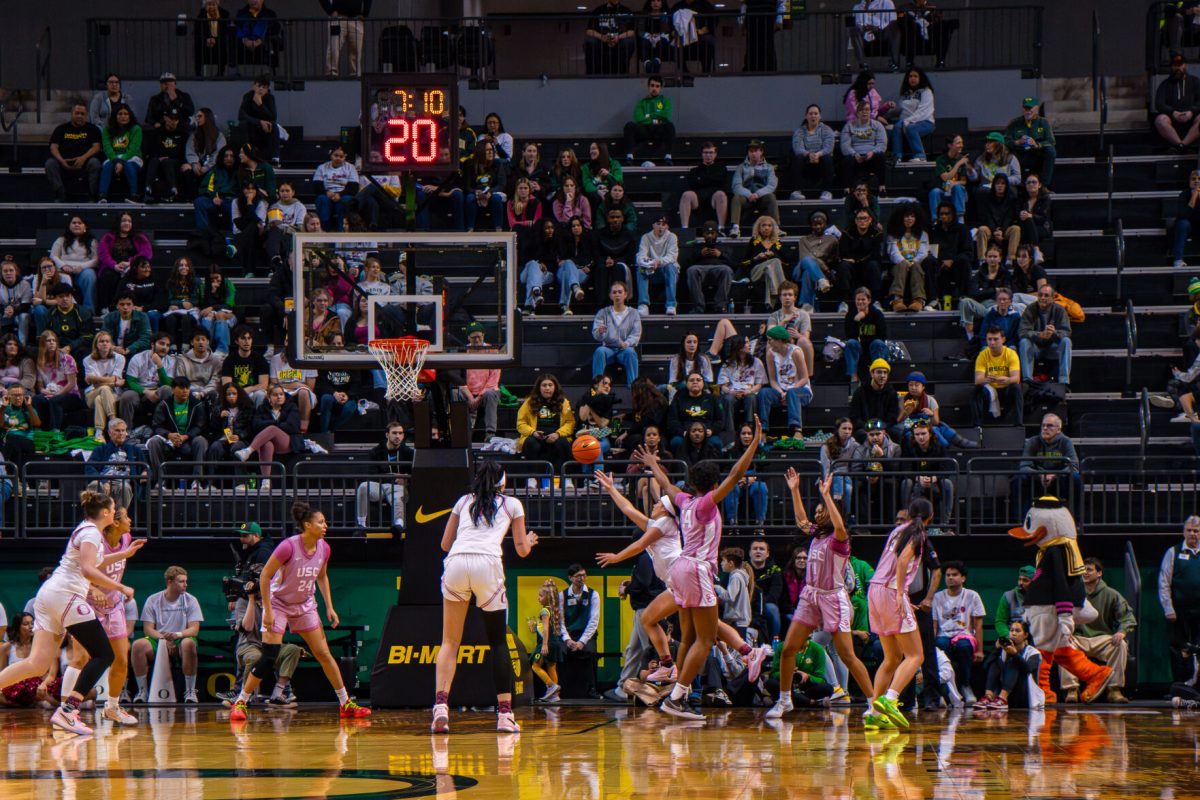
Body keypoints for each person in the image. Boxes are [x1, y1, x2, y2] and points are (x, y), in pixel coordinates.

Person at [631, 416, 763, 720]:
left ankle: (686, 687)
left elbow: (666, 483)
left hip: (681, 569)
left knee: (693, 635)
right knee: (705, 639)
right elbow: (737, 472)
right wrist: (754, 442)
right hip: (696, 569)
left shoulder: (684, 501)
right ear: (714, 486)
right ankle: (677, 698)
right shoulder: (704, 504)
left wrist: (653, 463)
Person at [0, 491, 136, 734]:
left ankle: (66, 709)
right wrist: (120, 586)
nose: (115, 511)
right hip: (65, 595)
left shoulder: (86, 529)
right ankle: (68, 710)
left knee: (36, 664)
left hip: (49, 595)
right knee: (104, 654)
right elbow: (87, 569)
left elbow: (92, 562)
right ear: (105, 513)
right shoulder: (92, 532)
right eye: (113, 507)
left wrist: (123, 555)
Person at [229, 502, 372, 720]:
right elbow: (265, 576)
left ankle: (346, 703)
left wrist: (330, 607)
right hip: (278, 604)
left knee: (324, 654)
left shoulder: (324, 547)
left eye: (325, 522)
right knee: (269, 656)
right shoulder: (288, 546)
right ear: (307, 525)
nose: (326, 525)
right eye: (321, 521)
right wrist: (267, 610)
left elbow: (322, 576)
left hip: (305, 604)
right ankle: (241, 702)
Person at [428, 461, 535, 731]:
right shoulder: (512, 504)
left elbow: (443, 544)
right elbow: (522, 550)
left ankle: (440, 709)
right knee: (497, 642)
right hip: (487, 564)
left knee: (449, 642)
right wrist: (530, 542)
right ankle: (505, 715)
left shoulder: (463, 501)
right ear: (502, 482)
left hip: (456, 562)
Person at [766, 471, 878, 719]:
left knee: (847, 655)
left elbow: (838, 524)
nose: (817, 514)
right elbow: (801, 521)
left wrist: (827, 496)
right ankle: (785, 700)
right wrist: (795, 490)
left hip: (833, 598)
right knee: (787, 649)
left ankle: (873, 704)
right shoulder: (817, 534)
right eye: (817, 510)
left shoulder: (840, 539)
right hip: (811, 596)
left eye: (822, 510)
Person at [864, 497, 933, 730]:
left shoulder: (897, 530)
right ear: (930, 518)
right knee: (916, 656)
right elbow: (903, 562)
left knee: (892, 657)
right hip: (892, 591)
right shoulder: (918, 534)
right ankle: (891, 699)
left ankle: (873, 712)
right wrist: (901, 594)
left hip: (875, 591)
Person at [85, 506, 142, 724]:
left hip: (114, 606)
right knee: (81, 659)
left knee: (121, 659)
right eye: (127, 516)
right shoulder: (96, 541)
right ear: (115, 522)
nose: (131, 520)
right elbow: (82, 570)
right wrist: (93, 589)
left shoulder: (126, 538)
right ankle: (67, 709)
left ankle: (112, 706)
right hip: (87, 604)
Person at [1055, 557, 1135, 704]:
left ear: (1099, 573)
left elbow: (1127, 617)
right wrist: (1066, 632)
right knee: (1063, 644)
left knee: (1121, 645)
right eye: (1083, 570)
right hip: (1078, 638)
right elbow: (1060, 615)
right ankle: (1072, 689)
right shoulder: (1073, 593)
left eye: (1089, 570)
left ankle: (1114, 689)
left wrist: (1121, 632)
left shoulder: (1111, 594)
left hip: (1102, 638)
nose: (1085, 573)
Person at [129, 565, 203, 704]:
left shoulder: (191, 600)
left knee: (189, 643)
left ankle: (190, 691)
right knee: (138, 645)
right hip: (159, 640)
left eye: (186, 581)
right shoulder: (153, 599)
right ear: (170, 582)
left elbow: (194, 629)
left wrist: (176, 635)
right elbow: (148, 629)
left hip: (181, 639)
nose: (185, 585)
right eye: (181, 581)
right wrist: (164, 639)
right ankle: (142, 691)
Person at [930, 560, 984, 704]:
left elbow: (978, 625)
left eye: (954, 575)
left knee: (964, 646)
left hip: (964, 635)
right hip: (943, 636)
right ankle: (942, 692)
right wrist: (931, 648)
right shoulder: (937, 597)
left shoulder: (972, 596)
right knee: (941, 646)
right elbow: (934, 625)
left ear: (963, 578)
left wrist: (980, 650)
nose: (950, 578)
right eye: (947, 575)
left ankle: (966, 686)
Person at [1010, 413, 1079, 515]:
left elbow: (1074, 466)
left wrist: (1054, 475)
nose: (1045, 428)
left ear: (1059, 429)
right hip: (1037, 479)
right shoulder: (1033, 441)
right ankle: (1022, 519)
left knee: (1076, 478)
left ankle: (1075, 518)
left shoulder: (1066, 442)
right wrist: (1040, 475)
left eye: (1049, 425)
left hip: (1058, 479)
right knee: (1019, 479)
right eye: (1043, 425)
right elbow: (1024, 466)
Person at [147, 376, 209, 485]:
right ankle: (161, 480)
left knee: (201, 441)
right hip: (170, 438)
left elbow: (200, 426)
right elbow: (157, 426)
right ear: (173, 389)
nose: (185, 390)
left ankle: (197, 480)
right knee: (153, 442)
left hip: (189, 438)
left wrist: (186, 436)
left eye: (187, 388)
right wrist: (169, 435)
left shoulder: (196, 404)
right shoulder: (164, 404)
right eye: (181, 388)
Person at [517, 373, 576, 488]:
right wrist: (533, 433)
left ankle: (564, 479)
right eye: (544, 385)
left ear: (555, 387)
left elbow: (570, 423)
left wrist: (558, 434)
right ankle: (532, 479)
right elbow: (520, 423)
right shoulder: (529, 402)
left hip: (556, 436)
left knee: (563, 443)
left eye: (550, 385)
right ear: (539, 387)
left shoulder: (564, 402)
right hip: (537, 436)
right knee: (530, 443)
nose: (547, 388)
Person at [1160, 517, 1200, 684]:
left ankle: (1197, 687)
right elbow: (1164, 582)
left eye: (1196, 530)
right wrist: (1168, 608)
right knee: (1178, 649)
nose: (1192, 534)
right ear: (1183, 532)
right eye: (1189, 530)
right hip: (1179, 611)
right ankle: (1179, 686)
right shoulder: (1173, 552)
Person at [973, 619, 1043, 710]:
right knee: (995, 662)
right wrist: (996, 650)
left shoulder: (1033, 652)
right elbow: (985, 667)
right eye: (1011, 630)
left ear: (1025, 635)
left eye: (1017, 631)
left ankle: (1002, 698)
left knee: (1014, 662)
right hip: (1008, 693)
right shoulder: (1004, 650)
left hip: (1025, 696)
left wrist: (1015, 654)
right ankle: (988, 697)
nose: (1013, 633)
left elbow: (1028, 669)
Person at [354, 421, 411, 531]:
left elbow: (413, 472)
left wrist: (407, 479)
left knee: (398, 493)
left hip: (398, 488)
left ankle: (398, 525)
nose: (397, 436)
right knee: (363, 486)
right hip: (379, 485)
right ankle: (361, 524)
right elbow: (372, 474)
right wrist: (394, 477)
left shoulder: (408, 452)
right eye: (394, 433)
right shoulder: (376, 451)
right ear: (387, 435)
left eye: (400, 433)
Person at [758, 325, 813, 439]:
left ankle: (797, 430)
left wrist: (789, 391)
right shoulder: (770, 354)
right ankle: (763, 429)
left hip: (801, 391)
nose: (768, 343)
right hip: (781, 390)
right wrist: (782, 392)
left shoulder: (795, 352)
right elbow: (772, 380)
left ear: (779, 340)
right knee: (764, 393)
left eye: (770, 340)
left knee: (793, 393)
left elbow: (804, 378)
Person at [45, 103, 102, 202]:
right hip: (64, 163)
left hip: (85, 163)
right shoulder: (61, 129)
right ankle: (60, 194)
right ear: (71, 114)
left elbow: (96, 147)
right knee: (50, 164)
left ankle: (92, 196)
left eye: (82, 114)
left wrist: (83, 158)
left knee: (95, 163)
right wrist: (62, 161)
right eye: (77, 113)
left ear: (86, 115)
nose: (79, 116)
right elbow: (53, 147)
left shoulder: (92, 129)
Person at [32, 329, 86, 432]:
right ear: (43, 344)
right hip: (51, 393)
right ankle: (39, 430)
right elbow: (40, 386)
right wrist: (45, 392)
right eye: (48, 341)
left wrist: (55, 394)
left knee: (55, 400)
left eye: (54, 340)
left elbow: (71, 383)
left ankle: (55, 431)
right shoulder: (40, 362)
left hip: (71, 394)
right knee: (37, 399)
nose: (52, 343)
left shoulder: (67, 359)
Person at [1017, 283, 1072, 385]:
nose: (1042, 298)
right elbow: (1022, 332)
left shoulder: (1060, 310)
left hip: (1053, 348)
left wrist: (1054, 333)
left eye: (1046, 295)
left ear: (1052, 298)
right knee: (1024, 342)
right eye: (1040, 295)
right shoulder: (1030, 309)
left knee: (1066, 341)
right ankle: (1027, 380)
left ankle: (1064, 380)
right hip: (1035, 348)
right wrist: (1039, 335)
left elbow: (1067, 332)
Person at [119, 331, 175, 427]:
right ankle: (126, 431)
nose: (164, 347)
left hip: (157, 393)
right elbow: (130, 382)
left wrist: (160, 366)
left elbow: (168, 384)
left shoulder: (171, 361)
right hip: (139, 392)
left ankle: (164, 429)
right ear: (152, 344)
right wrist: (146, 392)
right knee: (127, 396)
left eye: (167, 345)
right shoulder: (138, 358)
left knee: (167, 389)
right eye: (161, 343)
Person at [591, 282, 641, 387]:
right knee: (599, 351)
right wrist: (599, 332)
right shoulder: (603, 312)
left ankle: (633, 387)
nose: (617, 294)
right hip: (608, 349)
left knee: (630, 353)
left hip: (625, 349)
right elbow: (596, 334)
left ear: (625, 294)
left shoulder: (633, 313)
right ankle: (597, 386)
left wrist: (627, 343)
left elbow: (636, 334)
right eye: (614, 292)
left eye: (620, 292)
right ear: (610, 295)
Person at [960, 247, 1012, 343]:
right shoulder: (979, 274)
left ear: (1000, 258)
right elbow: (973, 294)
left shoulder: (1006, 274)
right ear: (986, 258)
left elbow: (1006, 292)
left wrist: (983, 291)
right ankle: (970, 337)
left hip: (997, 306)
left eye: (995, 256)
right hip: (982, 306)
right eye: (990, 256)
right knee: (964, 301)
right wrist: (994, 290)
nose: (992, 259)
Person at [885, 203, 931, 312]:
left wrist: (913, 261)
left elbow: (923, 252)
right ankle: (897, 300)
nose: (909, 219)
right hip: (898, 265)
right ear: (901, 218)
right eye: (906, 216)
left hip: (917, 264)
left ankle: (918, 300)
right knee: (902, 265)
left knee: (916, 266)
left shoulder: (922, 234)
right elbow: (893, 252)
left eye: (912, 216)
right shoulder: (893, 234)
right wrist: (904, 261)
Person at [728, 140, 779, 237]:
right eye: (751, 151)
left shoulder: (769, 167)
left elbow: (772, 185)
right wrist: (748, 194)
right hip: (746, 198)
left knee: (771, 197)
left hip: (762, 197)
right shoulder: (741, 167)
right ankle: (735, 228)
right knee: (736, 198)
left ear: (761, 152)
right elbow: (736, 186)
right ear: (748, 153)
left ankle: (776, 227)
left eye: (756, 150)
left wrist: (758, 194)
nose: (753, 153)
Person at [972, 327, 1022, 425]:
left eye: (995, 339)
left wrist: (1008, 380)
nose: (992, 342)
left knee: (1016, 387)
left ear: (1003, 339)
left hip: (1006, 389)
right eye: (989, 339)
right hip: (990, 390)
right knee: (976, 390)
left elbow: (1016, 378)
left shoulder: (1011, 354)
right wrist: (987, 379)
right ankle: (977, 426)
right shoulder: (982, 355)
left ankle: (1018, 424)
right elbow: (977, 380)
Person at [1004, 96, 1057, 188]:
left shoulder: (1043, 122)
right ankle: (1014, 184)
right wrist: (1017, 142)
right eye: (1026, 108)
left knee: (1051, 151)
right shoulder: (1014, 123)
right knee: (1005, 151)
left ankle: (1044, 185)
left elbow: (1051, 141)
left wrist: (1037, 144)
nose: (1028, 111)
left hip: (1036, 153)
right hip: (1020, 153)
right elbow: (1005, 140)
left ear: (1037, 109)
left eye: (1030, 108)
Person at [82, 332, 126, 443]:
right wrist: (113, 381)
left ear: (111, 344)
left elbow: (112, 378)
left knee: (100, 398)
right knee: (104, 389)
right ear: (96, 344)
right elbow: (113, 380)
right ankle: (113, 421)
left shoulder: (119, 358)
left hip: (114, 394)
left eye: (107, 341)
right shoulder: (88, 360)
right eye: (101, 341)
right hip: (91, 394)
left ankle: (99, 433)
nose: (105, 344)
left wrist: (96, 379)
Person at [926, 202, 972, 307]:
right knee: (928, 261)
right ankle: (933, 298)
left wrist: (952, 261)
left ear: (953, 215)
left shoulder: (962, 229)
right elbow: (930, 249)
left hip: (957, 263)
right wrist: (942, 261)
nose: (944, 216)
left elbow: (968, 251)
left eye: (947, 214)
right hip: (938, 263)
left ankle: (964, 297)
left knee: (964, 261)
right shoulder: (933, 230)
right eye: (941, 214)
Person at [683, 221, 736, 313]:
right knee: (691, 270)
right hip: (700, 268)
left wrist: (721, 255)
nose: (710, 236)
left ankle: (720, 305)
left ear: (716, 234)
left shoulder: (724, 247)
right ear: (703, 234)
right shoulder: (697, 246)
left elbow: (735, 264)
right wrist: (700, 254)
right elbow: (686, 264)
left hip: (719, 268)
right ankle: (699, 307)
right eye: (708, 233)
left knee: (727, 270)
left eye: (712, 233)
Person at [738, 216, 788, 311]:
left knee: (771, 269)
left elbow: (786, 263)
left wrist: (774, 255)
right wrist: (756, 258)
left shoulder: (777, 243)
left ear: (773, 228)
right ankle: (784, 291)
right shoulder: (753, 241)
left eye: (769, 225)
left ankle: (769, 303)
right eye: (763, 225)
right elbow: (744, 263)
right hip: (756, 272)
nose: (766, 228)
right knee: (775, 262)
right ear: (759, 228)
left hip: (769, 272)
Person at [623, 76, 675, 166]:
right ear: (648, 87)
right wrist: (657, 119)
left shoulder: (665, 101)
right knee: (629, 125)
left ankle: (668, 157)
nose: (654, 88)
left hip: (658, 131)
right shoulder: (641, 103)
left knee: (669, 125)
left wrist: (649, 116)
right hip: (644, 130)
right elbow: (638, 118)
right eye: (652, 85)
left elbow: (666, 115)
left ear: (661, 88)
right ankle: (629, 157)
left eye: (657, 86)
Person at [793, 212, 839, 312]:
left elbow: (833, 258)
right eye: (815, 224)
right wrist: (821, 262)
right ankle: (821, 280)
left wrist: (824, 267)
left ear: (825, 225)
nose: (818, 226)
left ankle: (807, 305)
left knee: (808, 273)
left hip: (821, 271)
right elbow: (803, 257)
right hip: (800, 269)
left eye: (820, 224)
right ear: (811, 225)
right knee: (806, 260)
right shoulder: (803, 240)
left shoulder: (832, 240)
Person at [840, 100, 888, 196]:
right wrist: (854, 154)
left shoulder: (877, 125)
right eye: (862, 110)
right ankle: (846, 190)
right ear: (857, 113)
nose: (865, 112)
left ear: (870, 112)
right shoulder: (849, 126)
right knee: (846, 160)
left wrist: (873, 152)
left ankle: (882, 188)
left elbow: (882, 144)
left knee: (881, 156)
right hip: (855, 156)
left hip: (871, 156)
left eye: (867, 110)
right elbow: (845, 145)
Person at [667, 371, 725, 451]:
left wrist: (712, 430)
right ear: (686, 384)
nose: (695, 382)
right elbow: (672, 420)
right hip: (685, 433)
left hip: (707, 433)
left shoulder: (712, 398)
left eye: (698, 380)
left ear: (703, 383)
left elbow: (720, 420)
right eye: (691, 380)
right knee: (676, 442)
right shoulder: (678, 398)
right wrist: (682, 432)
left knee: (716, 443)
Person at [679, 142, 729, 233]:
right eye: (706, 152)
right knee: (686, 195)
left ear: (715, 154)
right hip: (698, 197)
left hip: (714, 197)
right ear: (702, 154)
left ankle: (721, 228)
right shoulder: (694, 170)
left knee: (721, 195)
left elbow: (722, 183)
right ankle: (684, 229)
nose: (708, 155)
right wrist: (711, 179)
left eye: (711, 152)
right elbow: (692, 183)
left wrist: (702, 179)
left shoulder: (721, 168)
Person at [844, 293, 889, 392]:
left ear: (869, 301)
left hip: (874, 348)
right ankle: (854, 379)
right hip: (859, 350)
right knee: (851, 343)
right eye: (858, 299)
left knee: (878, 343)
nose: (860, 302)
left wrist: (867, 341)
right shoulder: (850, 315)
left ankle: (878, 378)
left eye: (863, 299)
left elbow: (882, 336)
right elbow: (850, 336)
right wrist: (856, 320)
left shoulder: (877, 314)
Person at [789, 105, 836, 200]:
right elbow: (798, 148)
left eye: (816, 113)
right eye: (810, 114)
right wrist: (809, 155)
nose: (813, 116)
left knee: (828, 158)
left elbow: (829, 147)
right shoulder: (799, 131)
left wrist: (818, 154)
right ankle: (796, 192)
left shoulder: (827, 130)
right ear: (806, 116)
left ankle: (826, 192)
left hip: (821, 159)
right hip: (806, 159)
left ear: (820, 116)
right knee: (797, 158)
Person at [635, 217, 680, 316]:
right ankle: (643, 305)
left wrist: (659, 262)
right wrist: (650, 263)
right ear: (653, 225)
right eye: (658, 224)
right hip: (651, 270)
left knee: (670, 267)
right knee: (640, 269)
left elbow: (672, 256)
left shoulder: (672, 237)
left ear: (667, 226)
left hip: (666, 269)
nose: (661, 227)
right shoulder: (646, 237)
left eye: (663, 224)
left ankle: (671, 305)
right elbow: (641, 255)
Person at [98, 104, 142, 204]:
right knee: (108, 165)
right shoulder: (107, 130)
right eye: (120, 114)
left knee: (128, 164)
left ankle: (134, 195)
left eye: (126, 114)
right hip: (113, 156)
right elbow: (107, 148)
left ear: (130, 116)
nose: (123, 116)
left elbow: (133, 149)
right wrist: (116, 160)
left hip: (132, 157)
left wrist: (121, 161)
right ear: (115, 116)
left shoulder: (136, 129)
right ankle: (102, 196)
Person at [142, 108, 188, 204]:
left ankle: (174, 190)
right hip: (158, 159)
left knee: (168, 162)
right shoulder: (156, 132)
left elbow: (184, 153)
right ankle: (147, 190)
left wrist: (184, 163)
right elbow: (149, 150)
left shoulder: (183, 134)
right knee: (154, 161)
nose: (173, 121)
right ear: (165, 118)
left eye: (176, 119)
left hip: (175, 161)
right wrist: (158, 157)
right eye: (171, 118)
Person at [1156, 53, 1200, 152]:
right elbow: (1159, 103)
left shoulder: (1195, 81)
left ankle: (1183, 144)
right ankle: (1179, 144)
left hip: (1191, 117)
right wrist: (1173, 112)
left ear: (1185, 65)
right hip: (1172, 118)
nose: (1178, 67)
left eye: (1180, 64)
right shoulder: (1165, 84)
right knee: (1160, 120)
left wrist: (1192, 112)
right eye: (1175, 65)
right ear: (1171, 67)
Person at [839, 211, 885, 306]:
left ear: (870, 220)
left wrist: (858, 260)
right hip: (852, 266)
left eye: (865, 218)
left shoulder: (876, 233)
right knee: (843, 266)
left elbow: (876, 254)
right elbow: (843, 252)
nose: (862, 221)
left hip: (868, 265)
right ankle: (844, 302)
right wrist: (852, 260)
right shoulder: (847, 233)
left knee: (874, 265)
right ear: (855, 221)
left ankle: (876, 301)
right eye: (859, 218)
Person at [312, 144, 360, 232]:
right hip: (327, 194)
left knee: (346, 200)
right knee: (322, 199)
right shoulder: (322, 168)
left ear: (345, 157)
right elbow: (316, 186)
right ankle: (325, 230)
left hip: (343, 195)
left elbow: (354, 188)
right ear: (331, 156)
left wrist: (340, 195)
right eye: (336, 155)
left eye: (341, 156)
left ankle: (341, 231)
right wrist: (326, 192)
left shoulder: (351, 168)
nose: (338, 158)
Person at [530, 582, 565, 701]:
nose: (538, 598)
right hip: (556, 643)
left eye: (540, 596)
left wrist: (544, 645)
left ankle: (551, 685)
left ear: (548, 598)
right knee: (551, 667)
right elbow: (544, 629)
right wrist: (534, 629)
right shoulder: (555, 610)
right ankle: (555, 696)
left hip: (547, 644)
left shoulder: (544, 611)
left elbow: (545, 629)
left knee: (535, 666)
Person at [975, 173, 1021, 264]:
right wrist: (994, 231)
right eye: (997, 183)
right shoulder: (987, 198)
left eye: (1003, 183)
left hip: (1005, 229)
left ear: (1006, 185)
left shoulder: (1012, 199)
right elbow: (987, 217)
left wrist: (1002, 231)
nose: (1000, 186)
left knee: (1016, 229)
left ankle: (1010, 259)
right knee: (981, 230)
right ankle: (982, 260)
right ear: (994, 185)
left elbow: (1009, 217)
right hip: (991, 228)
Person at [892, 67, 935, 162]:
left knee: (911, 128)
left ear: (920, 78)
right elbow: (903, 111)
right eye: (910, 76)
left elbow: (923, 111)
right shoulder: (905, 94)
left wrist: (908, 121)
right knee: (897, 126)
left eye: (915, 76)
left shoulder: (926, 92)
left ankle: (920, 156)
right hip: (908, 121)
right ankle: (897, 157)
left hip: (925, 122)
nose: (912, 78)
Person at [929, 134, 974, 223]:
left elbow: (964, 181)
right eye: (958, 143)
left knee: (957, 187)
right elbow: (945, 177)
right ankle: (936, 220)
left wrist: (955, 183)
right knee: (934, 192)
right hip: (943, 192)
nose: (961, 145)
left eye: (962, 143)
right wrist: (958, 164)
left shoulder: (962, 159)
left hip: (957, 193)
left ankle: (960, 219)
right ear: (950, 145)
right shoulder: (941, 160)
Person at [584, 0, 636, 75]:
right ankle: (594, 75)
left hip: (620, 42)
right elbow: (589, 30)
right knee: (591, 41)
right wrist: (601, 37)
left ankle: (622, 74)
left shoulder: (626, 11)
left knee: (629, 42)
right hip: (601, 42)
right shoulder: (598, 10)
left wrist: (618, 37)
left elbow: (632, 31)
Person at [848, 0, 901, 72]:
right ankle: (862, 65)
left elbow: (892, 21)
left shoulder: (886, 2)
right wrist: (864, 25)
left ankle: (894, 64)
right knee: (853, 30)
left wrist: (878, 27)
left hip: (881, 31)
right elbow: (858, 24)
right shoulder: (857, 7)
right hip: (865, 33)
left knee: (894, 29)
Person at [321, 0, 370, 77]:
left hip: (356, 19)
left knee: (356, 49)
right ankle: (332, 72)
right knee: (334, 46)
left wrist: (365, 13)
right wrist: (330, 11)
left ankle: (355, 74)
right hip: (338, 18)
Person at [238, 75, 280, 164]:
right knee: (243, 124)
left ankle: (275, 157)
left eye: (264, 87)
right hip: (252, 125)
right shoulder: (248, 96)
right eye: (259, 86)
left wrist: (261, 105)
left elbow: (273, 117)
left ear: (267, 89)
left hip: (265, 129)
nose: (260, 89)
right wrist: (259, 122)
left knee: (273, 125)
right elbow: (241, 115)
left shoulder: (270, 98)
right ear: (254, 86)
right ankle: (244, 153)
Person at [102, 292, 152, 360]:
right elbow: (104, 336)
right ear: (117, 306)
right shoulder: (110, 317)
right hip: (113, 351)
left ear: (134, 306)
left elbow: (146, 338)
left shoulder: (142, 317)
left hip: (134, 352)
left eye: (128, 304)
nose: (125, 307)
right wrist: (113, 347)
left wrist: (129, 349)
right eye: (122, 304)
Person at [1173, 171, 1200, 269]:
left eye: (1199, 179)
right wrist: (1194, 195)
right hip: (1188, 226)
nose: (1196, 181)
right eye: (1193, 179)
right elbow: (1183, 215)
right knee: (1182, 223)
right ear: (1189, 182)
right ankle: (1178, 260)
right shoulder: (1184, 194)